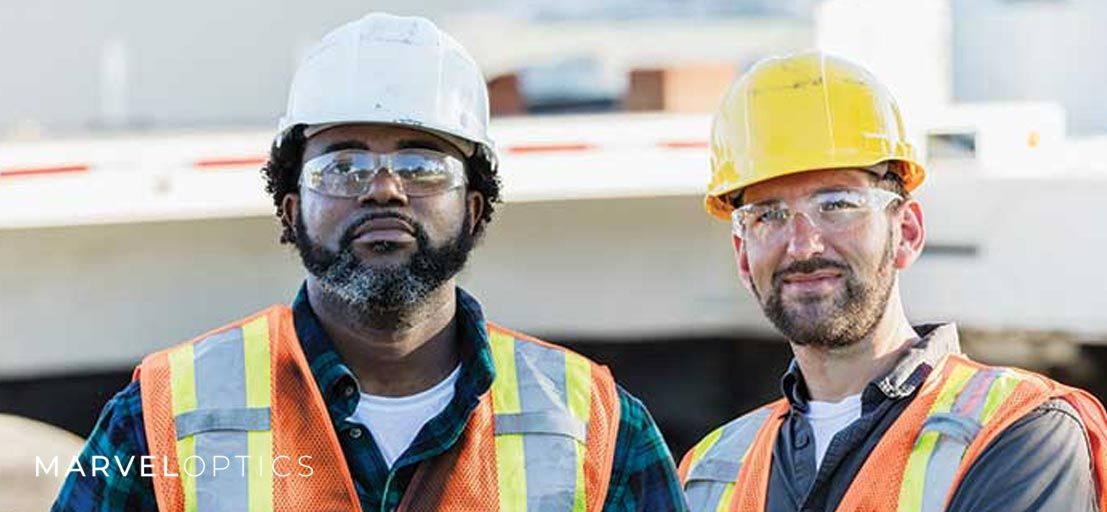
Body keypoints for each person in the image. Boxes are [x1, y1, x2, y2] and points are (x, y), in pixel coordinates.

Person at [53, 12, 686, 511]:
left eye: (420, 164)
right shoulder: (161, 417)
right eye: (343, 165)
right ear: (290, 208)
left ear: (474, 207)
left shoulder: (595, 428)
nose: (383, 188)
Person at [678, 50, 1107, 511]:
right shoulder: (707, 475)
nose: (803, 245)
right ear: (743, 255)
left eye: (838, 205)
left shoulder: (1017, 430)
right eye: (769, 215)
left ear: (906, 232)